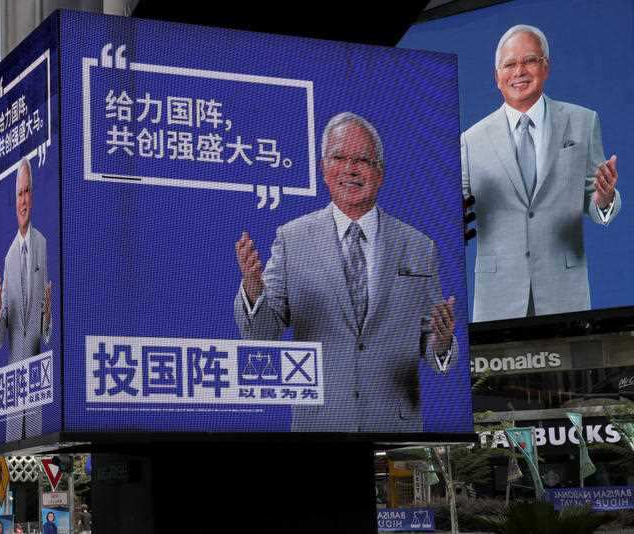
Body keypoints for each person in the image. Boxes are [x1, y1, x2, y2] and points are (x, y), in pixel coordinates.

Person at [235, 112, 458, 432]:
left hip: (395, 429)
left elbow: (431, 340)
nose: (351, 169)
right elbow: (261, 335)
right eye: (339, 157)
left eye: (363, 160)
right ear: (324, 169)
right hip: (319, 424)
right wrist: (254, 289)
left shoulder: (418, 245)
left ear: (380, 173)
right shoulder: (292, 238)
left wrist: (440, 342)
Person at [461, 24, 622, 322]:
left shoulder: (583, 122)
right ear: (497, 77)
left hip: (564, 293)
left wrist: (603, 198)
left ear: (545, 68)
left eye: (529, 60)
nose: (519, 71)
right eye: (509, 64)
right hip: (498, 297)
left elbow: (595, 199)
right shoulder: (471, 140)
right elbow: (459, 216)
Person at [0, 157, 52, 440]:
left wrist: (48, 317)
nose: (23, 200)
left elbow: (48, 330)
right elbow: (1, 337)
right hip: (16, 376)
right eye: (19, 193)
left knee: (43, 432)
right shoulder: (7, 257)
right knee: (14, 437)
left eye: (27, 191)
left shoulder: (45, 244)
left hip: (43, 373)